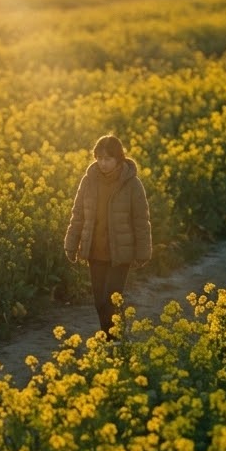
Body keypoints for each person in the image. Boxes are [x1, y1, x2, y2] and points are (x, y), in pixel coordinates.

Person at [64, 134, 152, 337]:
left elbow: (141, 220)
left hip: (120, 254)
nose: (103, 163)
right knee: (99, 302)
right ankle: (111, 338)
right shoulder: (88, 181)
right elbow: (77, 214)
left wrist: (143, 252)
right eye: (99, 158)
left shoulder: (132, 184)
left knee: (111, 300)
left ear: (119, 159)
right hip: (95, 251)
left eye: (108, 159)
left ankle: (114, 339)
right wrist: (71, 244)